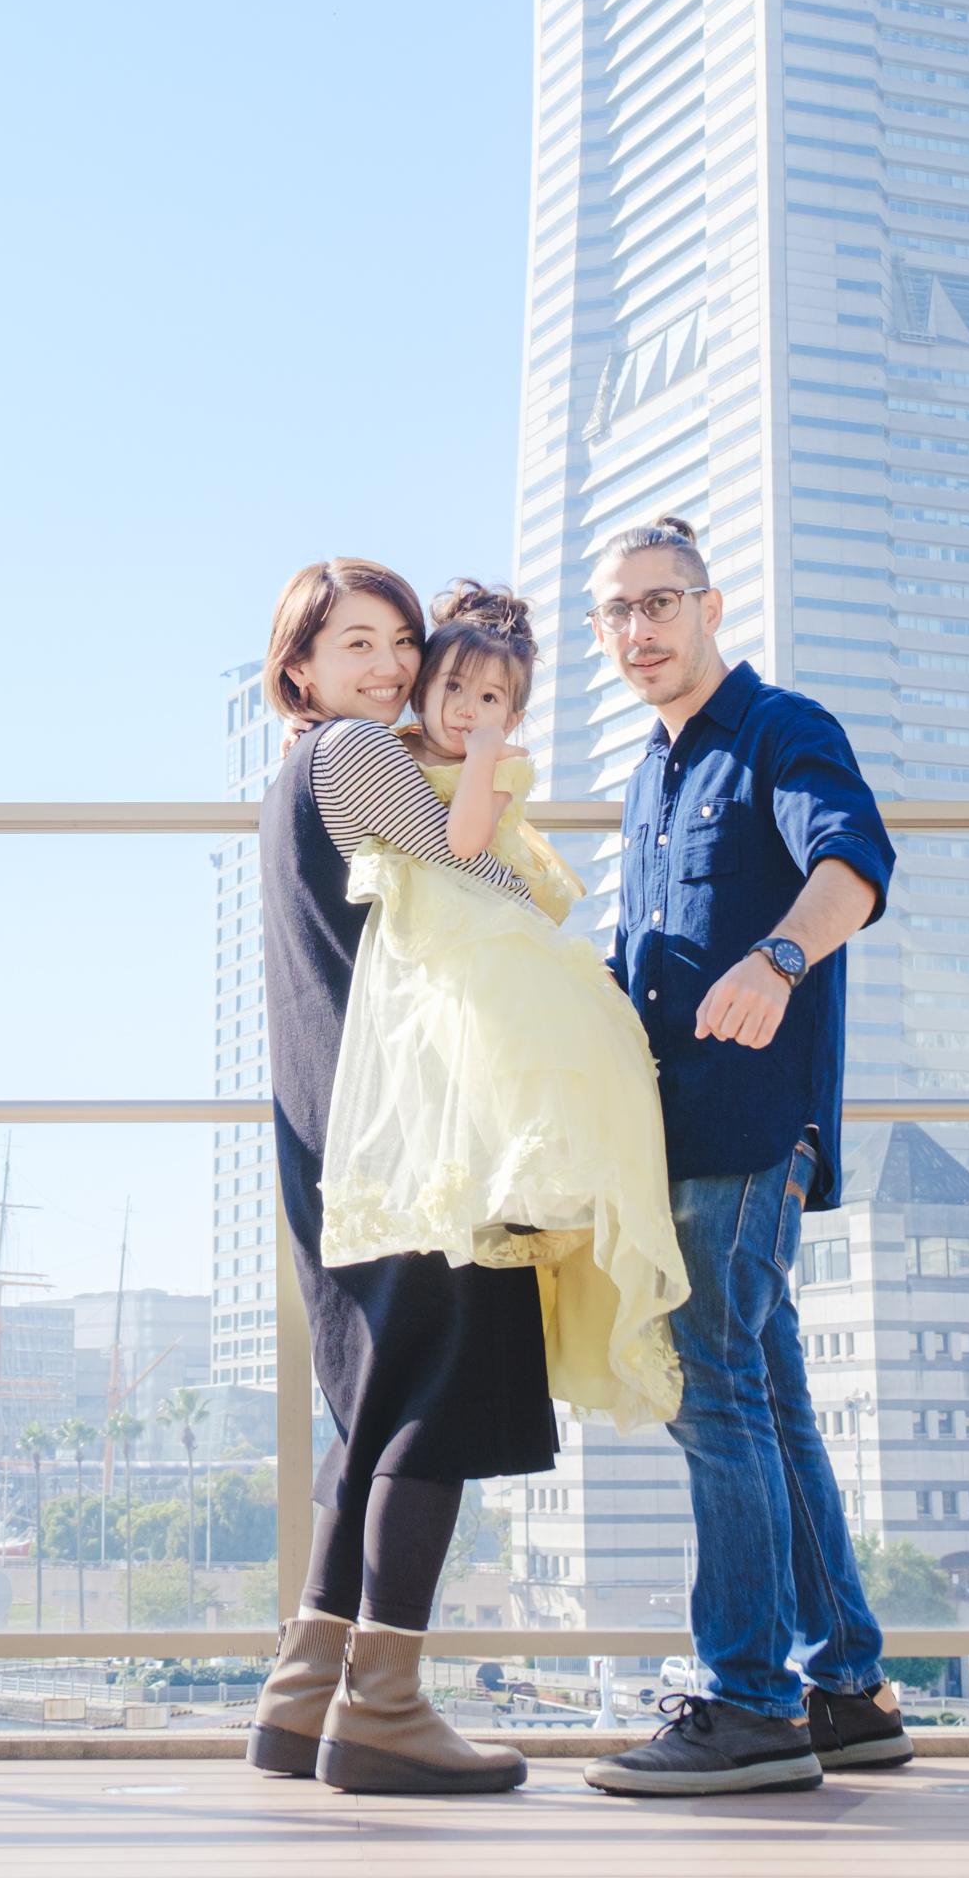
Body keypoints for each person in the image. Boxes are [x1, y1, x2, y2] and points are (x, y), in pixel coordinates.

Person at [579, 515, 912, 1799]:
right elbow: (641, 962)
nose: (640, 631)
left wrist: (779, 959)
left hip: (752, 1124)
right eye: (618, 613)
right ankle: (846, 1690)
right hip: (673, 1130)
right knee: (768, 1403)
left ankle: (748, 1702)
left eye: (661, 603)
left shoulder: (782, 728)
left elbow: (854, 864)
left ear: (711, 608)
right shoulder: (648, 778)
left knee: (714, 1396)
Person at [241, 557, 551, 1796]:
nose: (387, 667)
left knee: (376, 1411)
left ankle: (301, 1696)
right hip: (412, 1140)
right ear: (300, 668)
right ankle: (385, 1710)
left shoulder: (292, 782)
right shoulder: (355, 753)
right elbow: (472, 879)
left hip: (339, 1136)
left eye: (401, 642)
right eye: (355, 644)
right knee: (440, 1401)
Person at [317, 581, 689, 1433]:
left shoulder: (493, 763)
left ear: (514, 716)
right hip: (441, 945)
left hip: (481, 937)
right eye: (453, 688)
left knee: (524, 1055)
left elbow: (462, 841)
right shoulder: (382, 747)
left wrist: (483, 755)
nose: (468, 709)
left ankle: (533, 1187)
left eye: (492, 700)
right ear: (424, 686)